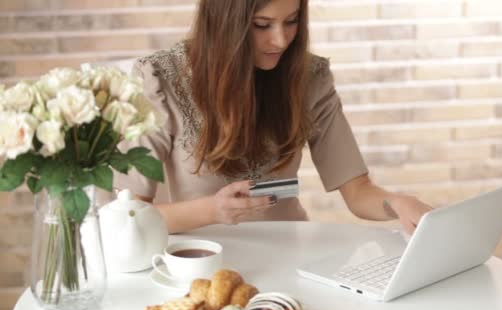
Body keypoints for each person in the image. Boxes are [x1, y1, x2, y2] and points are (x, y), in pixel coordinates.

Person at [115, 0, 432, 234]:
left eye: (292, 21)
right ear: (224, 21)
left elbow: (357, 191)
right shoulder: (160, 80)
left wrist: (397, 203)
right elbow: (127, 216)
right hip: (201, 262)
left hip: (291, 255)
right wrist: (212, 210)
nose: (280, 40)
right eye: (262, 25)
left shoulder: (309, 78)